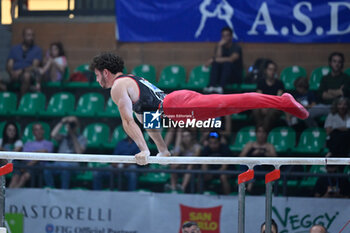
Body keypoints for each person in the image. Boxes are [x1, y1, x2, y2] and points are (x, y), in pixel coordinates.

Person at [89, 52, 308, 165]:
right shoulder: (132, 81)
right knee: (232, 106)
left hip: (178, 107)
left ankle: (283, 102)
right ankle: (281, 103)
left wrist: (144, 151)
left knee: (235, 102)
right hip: (180, 108)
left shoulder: (117, 87)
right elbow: (149, 123)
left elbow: (128, 122)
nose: (97, 79)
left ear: (106, 72)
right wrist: (162, 150)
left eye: (97, 75)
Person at [306, 52, 350, 127]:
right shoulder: (325, 78)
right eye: (334, 61)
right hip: (325, 106)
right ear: (330, 63)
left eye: (339, 62)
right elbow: (322, 95)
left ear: (342, 64)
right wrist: (337, 92)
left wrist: (329, 91)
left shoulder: (346, 78)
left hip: (341, 107)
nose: (337, 64)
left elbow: (344, 93)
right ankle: (317, 131)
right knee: (306, 115)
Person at [44, 116, 86, 189]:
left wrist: (72, 134)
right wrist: (62, 121)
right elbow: (53, 135)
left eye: (73, 124)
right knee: (47, 167)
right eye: (70, 124)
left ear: (78, 125)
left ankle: (64, 191)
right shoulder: (63, 136)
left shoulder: (82, 138)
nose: (72, 125)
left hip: (72, 165)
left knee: (65, 169)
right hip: (59, 163)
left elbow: (79, 152)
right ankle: (51, 190)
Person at [9, 123, 53, 188]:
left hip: (38, 167)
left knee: (24, 177)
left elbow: (44, 153)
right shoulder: (28, 144)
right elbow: (24, 156)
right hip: (24, 165)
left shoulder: (49, 143)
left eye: (40, 129)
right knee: (15, 177)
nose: (39, 132)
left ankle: (13, 195)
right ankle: (7, 195)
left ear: (43, 131)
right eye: (36, 130)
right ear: (33, 132)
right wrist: (38, 152)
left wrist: (28, 164)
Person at [204, 26, 243, 94]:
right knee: (215, 64)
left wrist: (213, 60)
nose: (225, 38)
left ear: (231, 37)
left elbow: (231, 59)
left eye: (227, 36)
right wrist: (219, 46)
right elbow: (218, 58)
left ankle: (221, 87)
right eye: (223, 36)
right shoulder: (220, 46)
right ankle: (212, 86)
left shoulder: (236, 47)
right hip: (222, 76)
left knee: (227, 63)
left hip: (234, 75)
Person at [239, 125, 277, 193]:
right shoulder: (250, 145)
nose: (261, 134)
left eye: (263, 132)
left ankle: (249, 184)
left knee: (256, 165)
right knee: (244, 165)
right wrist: (252, 153)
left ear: (266, 134)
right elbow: (241, 157)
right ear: (256, 133)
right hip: (249, 169)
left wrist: (265, 153)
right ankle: (249, 182)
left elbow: (276, 161)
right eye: (259, 132)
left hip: (262, 171)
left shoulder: (269, 146)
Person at [6, 28, 42, 95]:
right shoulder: (15, 49)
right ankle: (9, 97)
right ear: (23, 36)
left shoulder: (37, 50)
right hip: (13, 74)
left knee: (26, 76)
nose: (31, 37)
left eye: (32, 35)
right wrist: (11, 72)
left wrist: (21, 71)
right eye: (28, 35)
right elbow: (9, 64)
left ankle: (21, 100)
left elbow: (34, 66)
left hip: (28, 74)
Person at [252, 59, 285, 131]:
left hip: (275, 107)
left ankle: (262, 132)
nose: (272, 72)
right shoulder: (261, 82)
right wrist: (263, 107)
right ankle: (261, 131)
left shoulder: (279, 83)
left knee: (271, 113)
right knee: (255, 111)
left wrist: (268, 108)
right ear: (265, 70)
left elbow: (278, 99)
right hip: (263, 106)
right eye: (270, 69)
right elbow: (259, 98)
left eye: (274, 70)